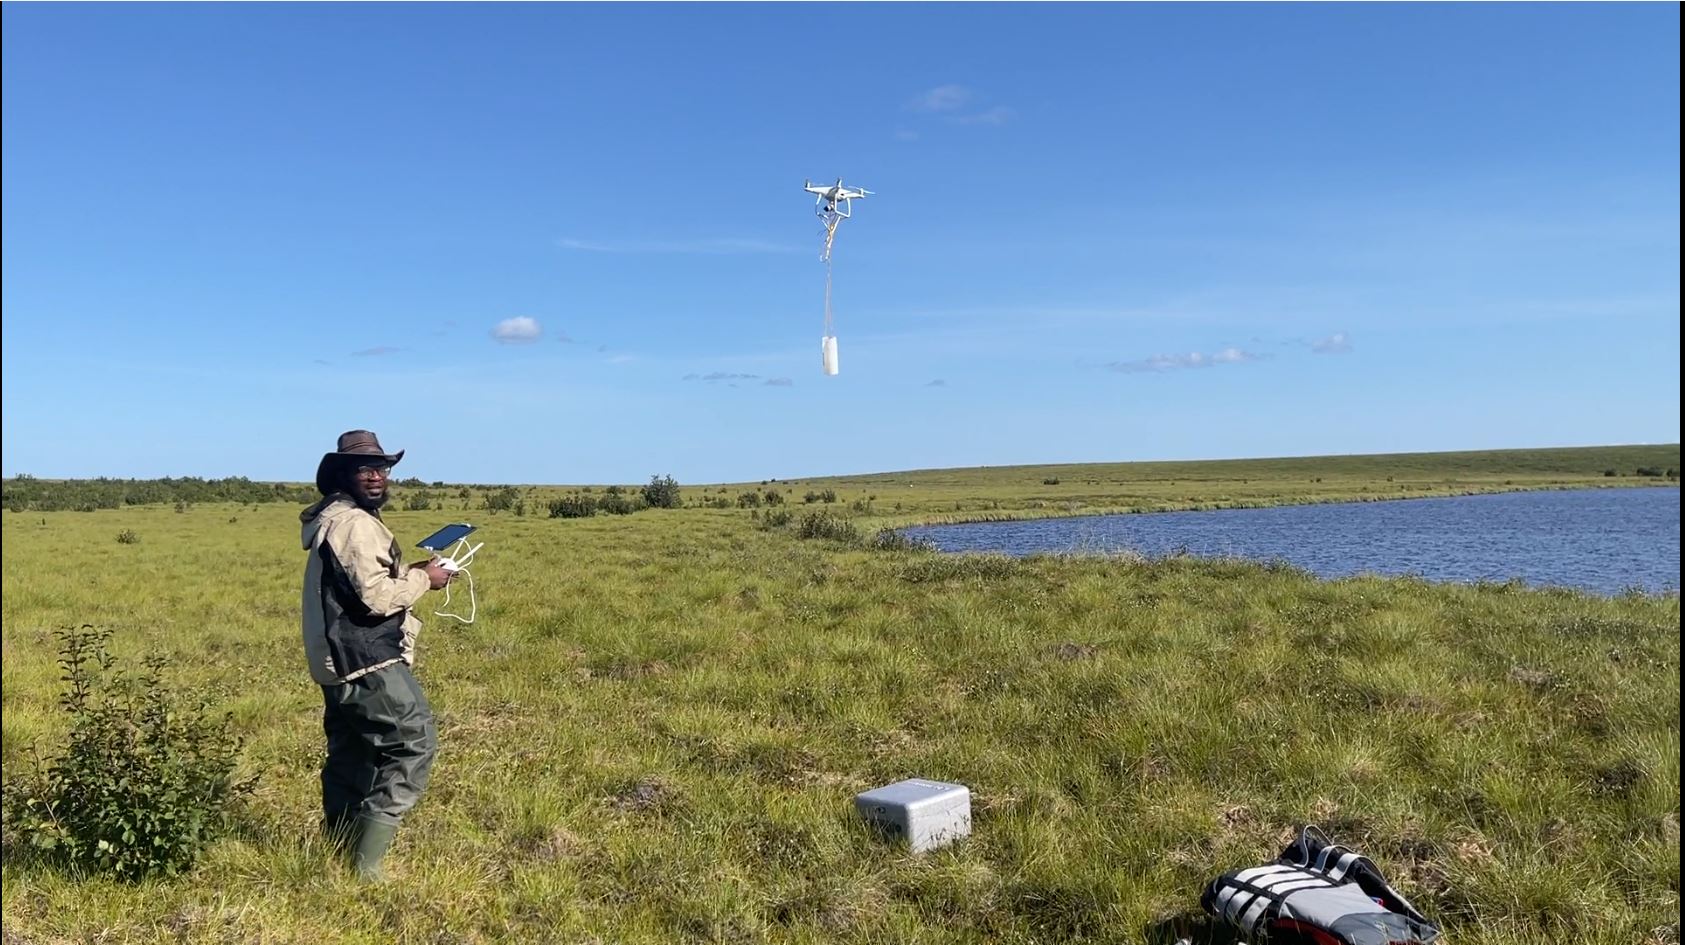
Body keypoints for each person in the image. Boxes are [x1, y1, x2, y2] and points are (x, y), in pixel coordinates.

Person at [299, 430, 453, 880]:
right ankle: (366, 868)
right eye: (365, 468)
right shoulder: (354, 524)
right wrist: (427, 580)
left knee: (354, 753)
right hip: (364, 657)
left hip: (335, 658)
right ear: (344, 475)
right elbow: (376, 599)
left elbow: (359, 583)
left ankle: (340, 852)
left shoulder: (334, 519)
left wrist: (417, 572)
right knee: (413, 742)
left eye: (382, 468)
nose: (376, 476)